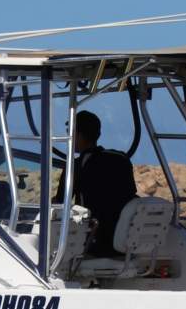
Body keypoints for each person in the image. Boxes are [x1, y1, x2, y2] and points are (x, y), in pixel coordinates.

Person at [55, 110, 136, 256]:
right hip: (125, 241)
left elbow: (60, 204)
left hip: (93, 243)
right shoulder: (121, 159)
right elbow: (130, 195)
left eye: (69, 132)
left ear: (77, 134)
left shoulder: (76, 166)